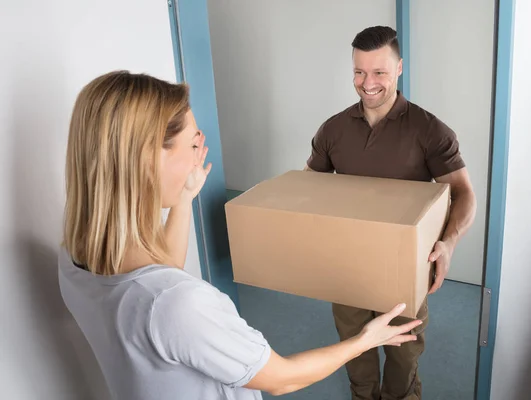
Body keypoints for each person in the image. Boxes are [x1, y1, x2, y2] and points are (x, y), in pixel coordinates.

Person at [58, 70, 424, 400]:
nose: (199, 152)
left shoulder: (75, 255)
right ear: (146, 159)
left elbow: (155, 277)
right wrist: (367, 340)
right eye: (191, 144)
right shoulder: (179, 305)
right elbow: (283, 378)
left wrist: (183, 199)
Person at [305, 26, 477, 400]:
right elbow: (309, 189)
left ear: (399, 68)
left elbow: (464, 194)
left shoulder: (429, 131)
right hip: (346, 263)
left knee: (402, 356)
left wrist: (447, 244)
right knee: (354, 348)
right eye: (359, 72)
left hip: (405, 267)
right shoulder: (333, 130)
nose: (367, 83)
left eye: (379, 72)